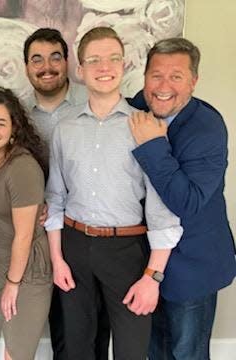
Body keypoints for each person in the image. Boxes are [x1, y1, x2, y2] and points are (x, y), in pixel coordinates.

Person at [45, 27, 183, 360]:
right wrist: (57, 258)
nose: (103, 66)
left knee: (131, 348)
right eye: (93, 60)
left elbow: (162, 210)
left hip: (127, 252)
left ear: (125, 65)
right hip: (74, 247)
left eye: (112, 58)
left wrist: (152, 276)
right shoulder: (65, 129)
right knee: (77, 347)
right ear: (80, 71)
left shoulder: (146, 126)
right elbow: (55, 198)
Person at [128, 37, 236, 360]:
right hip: (144, 263)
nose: (163, 86)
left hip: (193, 267)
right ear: (144, 77)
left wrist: (153, 145)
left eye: (176, 76)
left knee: (186, 353)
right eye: (156, 75)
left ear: (193, 81)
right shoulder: (134, 109)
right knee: (154, 351)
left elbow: (187, 202)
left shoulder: (208, 128)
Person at [22, 27, 109, 360]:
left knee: (83, 322)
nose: (47, 66)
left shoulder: (91, 106)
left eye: (55, 57)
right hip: (29, 228)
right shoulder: (16, 112)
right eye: (37, 59)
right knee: (34, 313)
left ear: (69, 62)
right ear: (27, 66)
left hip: (77, 229)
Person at [0, 87, 53, 360]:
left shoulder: (21, 167)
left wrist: (13, 282)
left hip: (25, 270)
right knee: (11, 346)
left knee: (19, 352)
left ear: (14, 128)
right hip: (0, 261)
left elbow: (24, 235)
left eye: (0, 123)